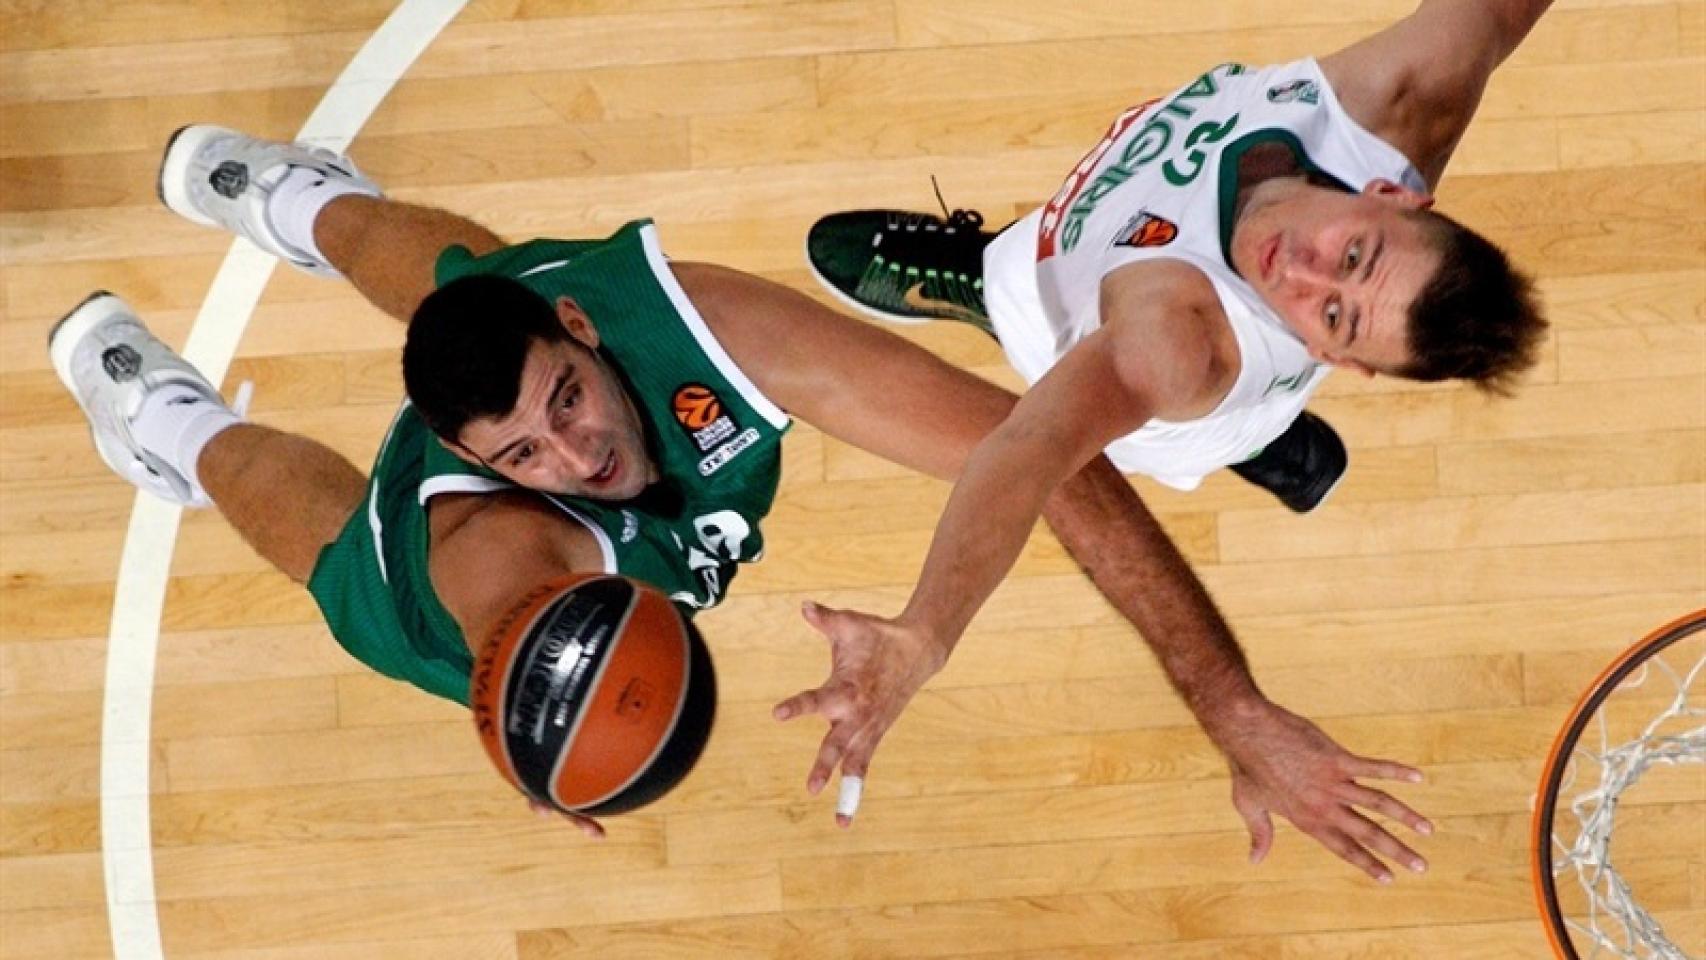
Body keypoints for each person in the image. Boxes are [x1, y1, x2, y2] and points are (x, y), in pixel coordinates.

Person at [52, 125, 1427, 852]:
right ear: (479, 467)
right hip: (448, 571)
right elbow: (517, 653)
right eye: (524, 451)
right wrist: (524, 732)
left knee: (462, 272)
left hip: (524, 327)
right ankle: (172, 420)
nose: (575, 456)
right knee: (333, 563)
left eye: (568, 406)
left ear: (585, 333)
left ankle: (293, 202)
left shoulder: (693, 326)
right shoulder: (491, 555)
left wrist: (1225, 702)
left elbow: (1044, 458)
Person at [798, 0, 1552, 882]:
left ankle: (976, 281)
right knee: (1249, 423)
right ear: (1391, 192)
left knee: (1047, 329)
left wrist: (924, 633)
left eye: (1334, 316)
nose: (1300, 272)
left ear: (1329, 354)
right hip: (1221, 369)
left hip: (1144, 384)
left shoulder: (1177, 345)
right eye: (1352, 255)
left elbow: (1030, 449)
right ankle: (1275, 445)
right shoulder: (1404, 98)